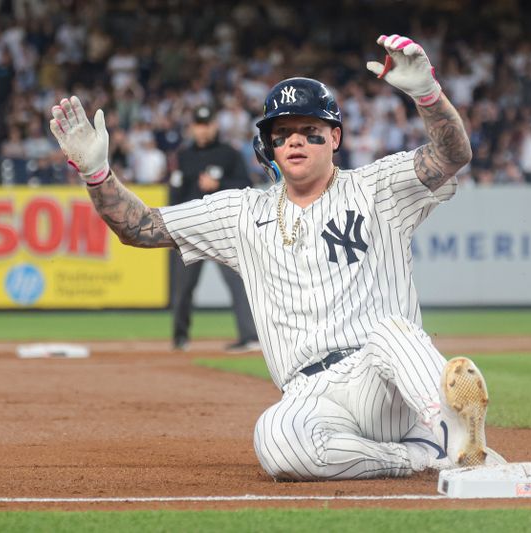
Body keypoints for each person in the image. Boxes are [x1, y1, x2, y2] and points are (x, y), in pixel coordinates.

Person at [50, 34, 505, 481]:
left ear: (335, 137)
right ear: (268, 145)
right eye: (282, 132)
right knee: (276, 441)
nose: (296, 141)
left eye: (311, 130)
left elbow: (451, 154)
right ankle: (424, 456)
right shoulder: (242, 212)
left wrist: (427, 94)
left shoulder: (376, 187)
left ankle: (459, 439)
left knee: (391, 332)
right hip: (309, 391)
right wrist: (96, 173)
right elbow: (139, 227)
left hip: (382, 382)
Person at [170, 104, 260, 352]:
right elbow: (175, 193)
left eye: (206, 124)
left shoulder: (228, 154)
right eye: (198, 125)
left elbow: (245, 185)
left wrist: (218, 183)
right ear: (192, 128)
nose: (202, 130)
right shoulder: (184, 155)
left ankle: (249, 336)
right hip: (191, 231)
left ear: (214, 126)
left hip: (221, 231)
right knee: (183, 288)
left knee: (238, 283)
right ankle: (180, 339)